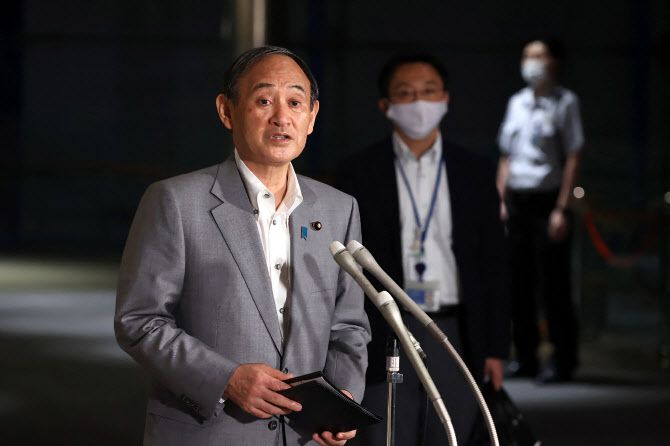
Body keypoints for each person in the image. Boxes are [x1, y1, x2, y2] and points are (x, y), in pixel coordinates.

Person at [114, 46, 370, 446]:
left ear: (312, 116)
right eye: (264, 100)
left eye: (295, 102)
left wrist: (343, 399)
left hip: (305, 435)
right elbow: (140, 320)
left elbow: (348, 325)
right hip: (209, 433)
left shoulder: (339, 209)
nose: (281, 117)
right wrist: (226, 379)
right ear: (226, 111)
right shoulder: (176, 201)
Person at [337, 53, 509, 445]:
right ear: (386, 105)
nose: (419, 102)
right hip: (385, 327)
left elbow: (494, 263)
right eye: (405, 93)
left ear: (445, 98)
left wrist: (496, 347)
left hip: (455, 329)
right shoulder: (358, 171)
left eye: (429, 91)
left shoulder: (474, 170)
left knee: (451, 433)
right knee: (385, 432)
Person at [497, 38, 584, 383]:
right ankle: (526, 357)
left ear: (553, 62)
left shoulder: (565, 102)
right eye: (526, 56)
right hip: (518, 200)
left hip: (549, 201)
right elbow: (506, 155)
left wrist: (562, 208)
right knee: (518, 283)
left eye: (538, 56)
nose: (531, 62)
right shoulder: (516, 102)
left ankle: (563, 360)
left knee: (554, 284)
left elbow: (574, 155)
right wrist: (500, 199)